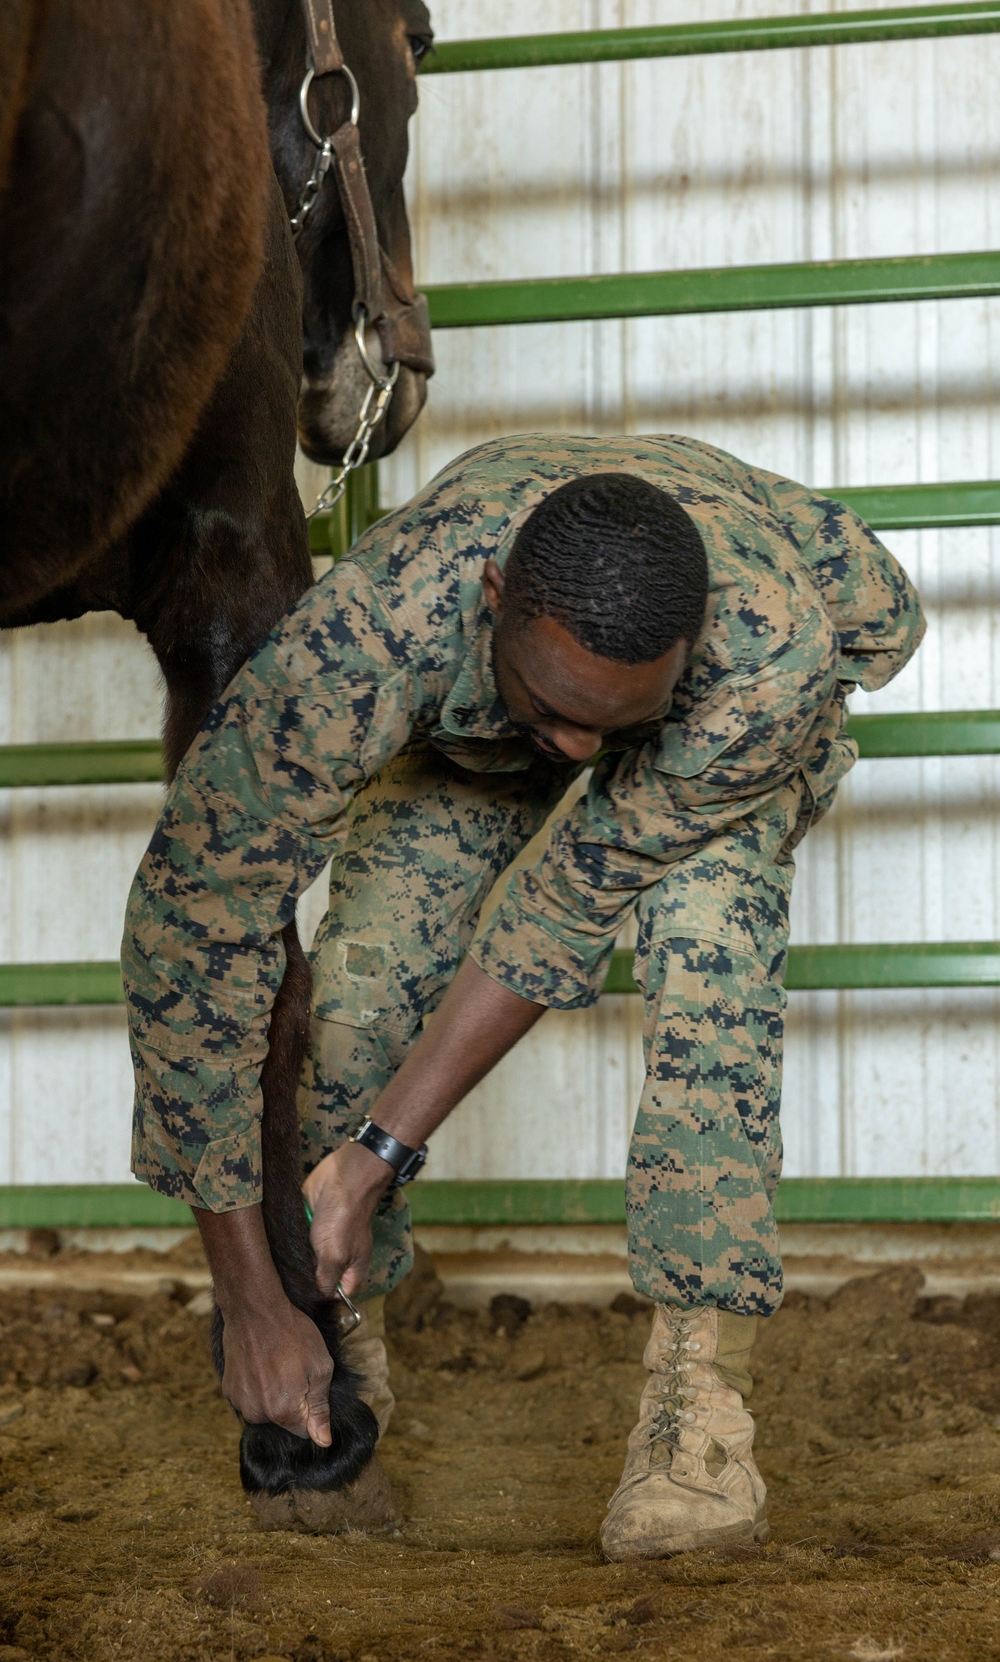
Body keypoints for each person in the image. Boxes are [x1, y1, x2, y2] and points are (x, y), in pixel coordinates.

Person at [122, 433, 923, 1558]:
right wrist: (253, 1294)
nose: (578, 748)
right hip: (466, 722)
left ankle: (701, 1414)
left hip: (715, 722)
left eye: (609, 721)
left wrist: (379, 1150)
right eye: (554, 707)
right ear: (493, 600)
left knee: (712, 970)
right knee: (358, 989)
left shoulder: (762, 660)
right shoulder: (370, 639)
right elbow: (192, 919)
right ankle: (332, 1346)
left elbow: (558, 910)